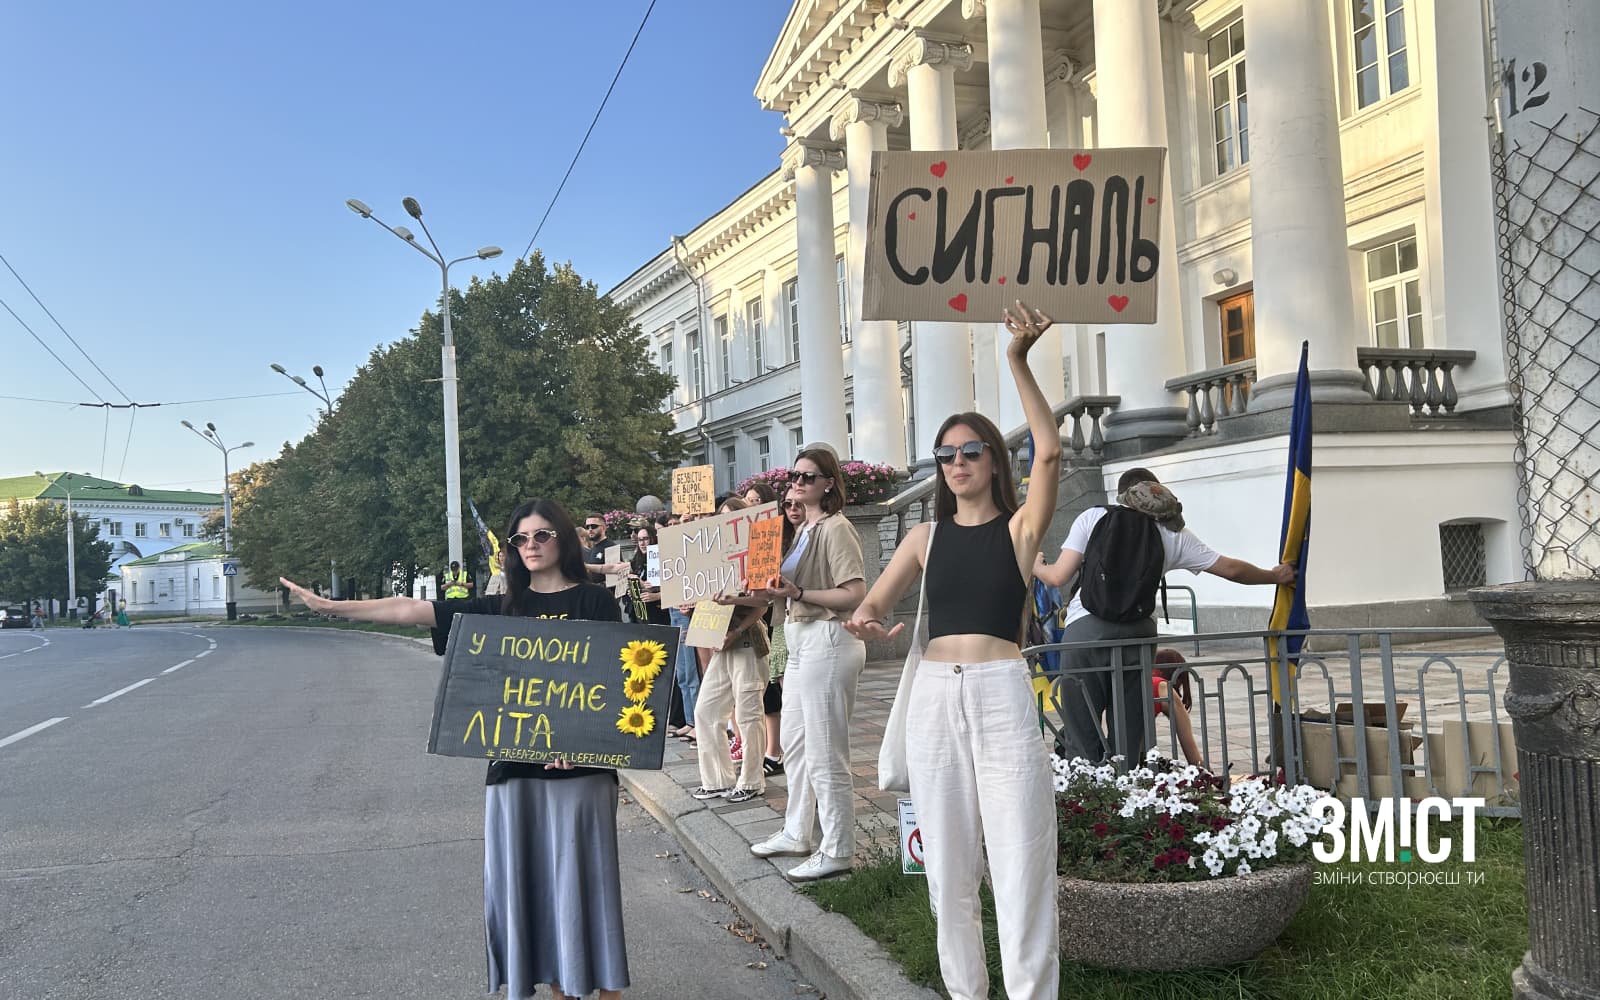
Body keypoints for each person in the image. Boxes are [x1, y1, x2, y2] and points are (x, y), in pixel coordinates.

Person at [279, 498, 630, 1000]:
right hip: (515, 774)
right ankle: (560, 988)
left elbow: (616, 682)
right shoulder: (498, 609)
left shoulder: (596, 603)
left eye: (542, 535)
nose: (530, 545)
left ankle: (606, 988)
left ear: (563, 539)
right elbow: (409, 608)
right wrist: (331, 606)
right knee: (536, 894)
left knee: (586, 889)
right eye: (521, 538)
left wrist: (585, 745)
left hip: (581, 775)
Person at [845, 300, 1060, 1000]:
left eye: (970, 452)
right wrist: (866, 622)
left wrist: (1016, 359)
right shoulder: (924, 537)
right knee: (948, 867)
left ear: (994, 462)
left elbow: (1050, 452)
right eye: (945, 455)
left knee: (1021, 859)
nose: (956, 462)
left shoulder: (1020, 530)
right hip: (934, 698)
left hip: (999, 692)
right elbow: (873, 602)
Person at [1034, 468, 1295, 764]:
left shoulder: (1093, 516)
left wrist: (1036, 565)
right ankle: (1128, 779)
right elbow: (1232, 569)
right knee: (1130, 727)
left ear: (1120, 495)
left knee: (1083, 723)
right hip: (1138, 635)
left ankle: (1088, 782)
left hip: (1085, 631)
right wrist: (1275, 576)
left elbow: (1057, 577)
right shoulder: (1173, 533)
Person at [747, 447, 867, 882]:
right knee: (795, 744)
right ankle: (797, 831)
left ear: (829, 483)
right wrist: (736, 597)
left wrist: (799, 594)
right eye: (794, 476)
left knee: (825, 750)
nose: (797, 484)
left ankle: (838, 848)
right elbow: (782, 592)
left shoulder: (836, 528)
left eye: (807, 477)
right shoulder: (804, 529)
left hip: (828, 640)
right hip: (802, 642)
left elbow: (854, 593)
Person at [690, 496, 773, 803]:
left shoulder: (758, 550)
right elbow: (706, 597)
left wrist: (734, 612)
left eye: (730, 517)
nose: (725, 523)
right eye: (720, 518)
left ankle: (752, 781)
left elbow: (764, 602)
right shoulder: (712, 556)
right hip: (722, 644)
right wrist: (692, 605)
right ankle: (717, 779)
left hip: (747, 642)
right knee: (706, 710)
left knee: (749, 715)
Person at [760, 490, 807, 777]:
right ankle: (785, 753)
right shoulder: (779, 539)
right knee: (784, 691)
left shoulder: (817, 534)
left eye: (798, 503)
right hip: (782, 620)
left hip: (809, 621)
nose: (792, 508)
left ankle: (793, 754)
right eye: (787, 504)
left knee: (800, 702)